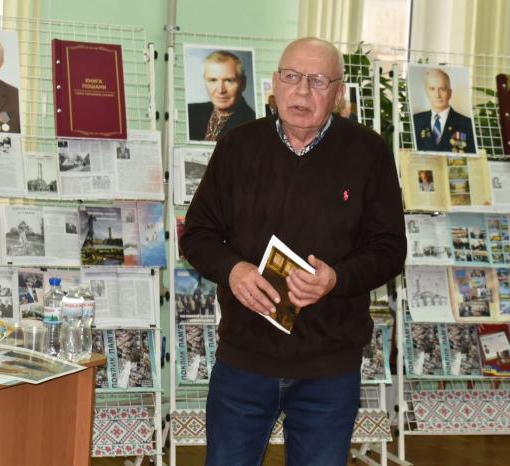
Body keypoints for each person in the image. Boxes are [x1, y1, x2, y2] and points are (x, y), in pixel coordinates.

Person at [180, 37, 406, 466]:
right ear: (274, 83)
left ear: (338, 95)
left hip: (329, 368)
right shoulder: (237, 147)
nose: (302, 91)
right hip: (244, 360)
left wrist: (336, 278)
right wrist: (233, 270)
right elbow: (197, 234)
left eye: (318, 81)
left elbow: (390, 249)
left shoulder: (368, 153)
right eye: (291, 77)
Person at [187, 50, 256, 141]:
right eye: (213, 80)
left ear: (243, 83)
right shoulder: (190, 112)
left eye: (229, 80)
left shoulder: (252, 123)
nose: (220, 90)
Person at [413, 68, 475, 153]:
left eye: (442, 89)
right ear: (426, 92)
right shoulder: (415, 121)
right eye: (432, 89)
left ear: (450, 93)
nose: (437, 95)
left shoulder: (467, 124)